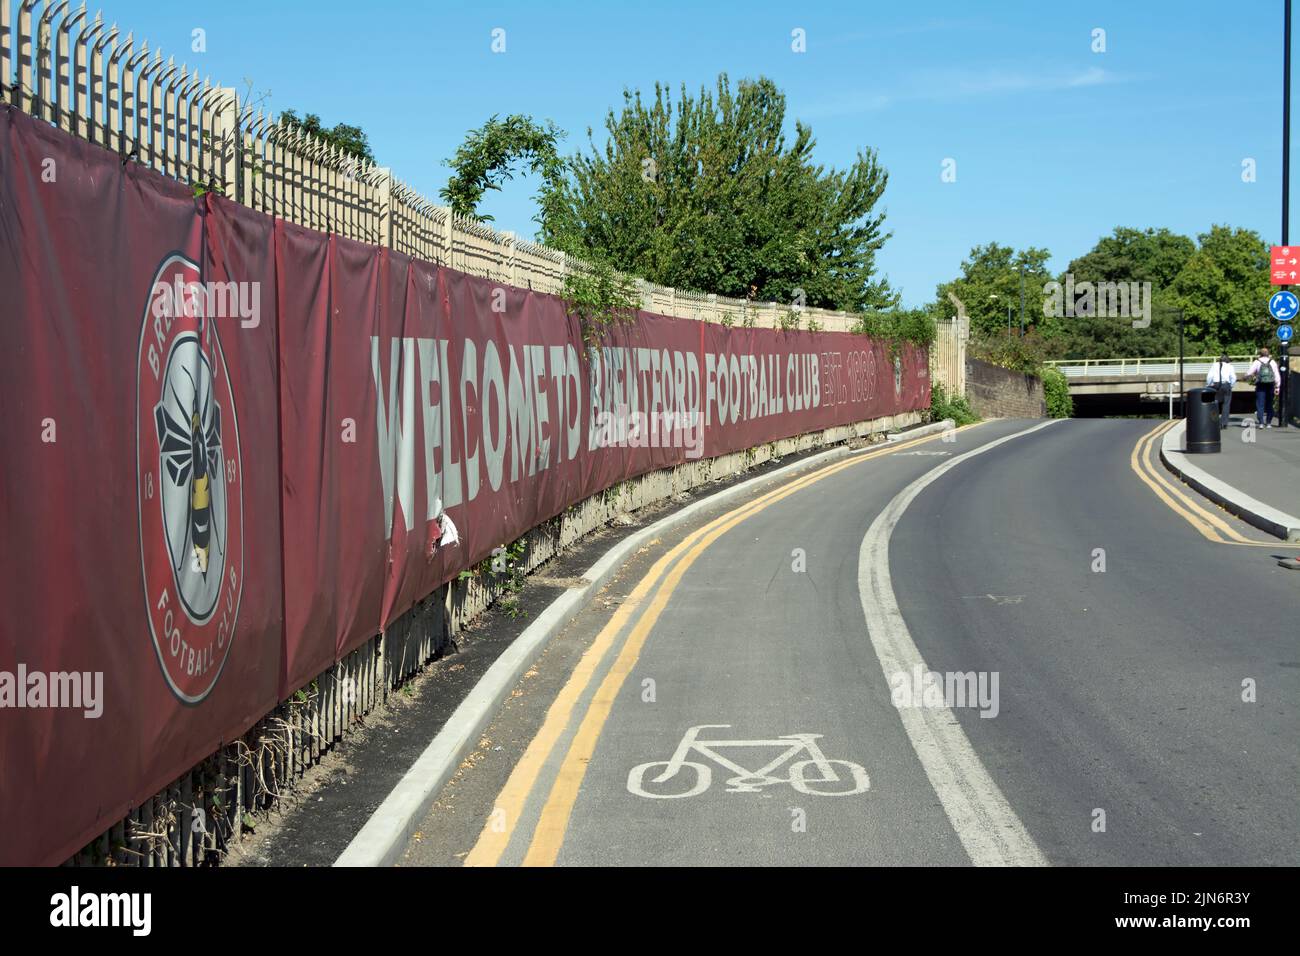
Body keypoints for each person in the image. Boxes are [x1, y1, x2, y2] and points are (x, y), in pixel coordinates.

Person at [1247, 347, 1281, 428]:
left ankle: (1261, 423)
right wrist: (1277, 387)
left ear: (1260, 354)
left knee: (1260, 404)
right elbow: (1276, 375)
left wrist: (1248, 376)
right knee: (1270, 403)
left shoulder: (1257, 361)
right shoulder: (1272, 362)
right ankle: (1268, 422)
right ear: (1268, 354)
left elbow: (1249, 372)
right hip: (1270, 384)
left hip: (1260, 384)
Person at [1205, 354, 1236, 429]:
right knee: (1226, 404)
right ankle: (1224, 423)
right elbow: (1233, 377)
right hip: (1226, 385)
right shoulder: (1230, 366)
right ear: (1227, 360)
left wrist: (1208, 384)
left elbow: (1210, 376)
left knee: (1215, 403)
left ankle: (1214, 421)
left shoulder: (1214, 365)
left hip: (1215, 385)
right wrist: (1231, 385)